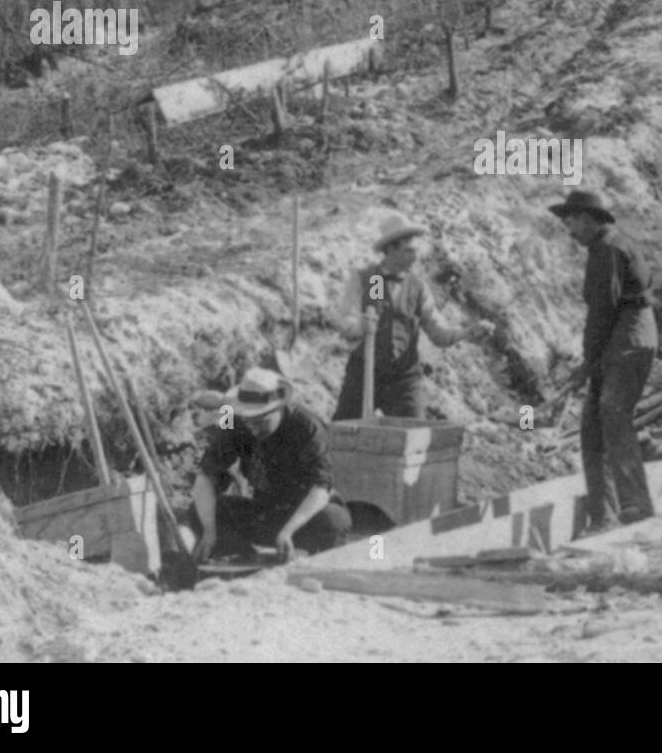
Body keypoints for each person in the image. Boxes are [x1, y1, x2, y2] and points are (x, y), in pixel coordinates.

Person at [550, 189, 658, 531]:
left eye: (572, 221)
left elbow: (602, 312)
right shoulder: (608, 246)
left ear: (588, 218)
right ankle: (604, 515)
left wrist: (586, 363)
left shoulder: (607, 250)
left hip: (626, 340)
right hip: (623, 338)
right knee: (592, 428)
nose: (569, 230)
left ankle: (635, 506)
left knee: (613, 415)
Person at [333, 214, 489, 421]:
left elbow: (438, 333)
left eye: (415, 251)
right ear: (389, 249)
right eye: (408, 251)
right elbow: (344, 320)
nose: (414, 257)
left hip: (403, 377)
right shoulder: (369, 279)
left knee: (414, 435)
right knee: (344, 434)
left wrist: (467, 332)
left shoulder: (418, 287)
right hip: (364, 372)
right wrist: (360, 326)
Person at [188, 368, 352, 561]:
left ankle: (303, 555)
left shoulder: (308, 427)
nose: (253, 428)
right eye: (248, 422)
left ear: (278, 409)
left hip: (303, 516)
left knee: (334, 520)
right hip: (265, 511)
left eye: (261, 422)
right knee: (199, 511)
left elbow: (321, 487)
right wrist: (209, 530)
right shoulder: (231, 417)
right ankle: (243, 558)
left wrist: (288, 531)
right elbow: (207, 474)